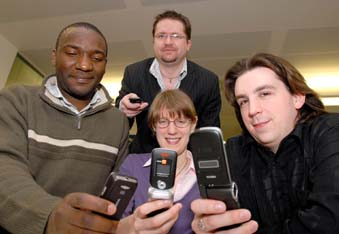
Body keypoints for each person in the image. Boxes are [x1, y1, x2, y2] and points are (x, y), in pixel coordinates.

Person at [191, 53, 339, 234]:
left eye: (265, 94)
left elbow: (333, 222)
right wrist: (206, 227)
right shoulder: (233, 153)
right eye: (243, 101)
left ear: (297, 97)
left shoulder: (333, 132)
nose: (252, 110)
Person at [0, 22, 130, 234]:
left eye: (96, 58)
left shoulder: (118, 122)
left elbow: (118, 186)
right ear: (54, 56)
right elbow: (4, 167)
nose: (85, 65)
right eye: (72, 53)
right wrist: (49, 214)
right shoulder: (17, 100)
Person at [116, 10, 221, 153]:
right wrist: (123, 111)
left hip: (187, 164)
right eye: (161, 36)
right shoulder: (134, 73)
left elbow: (208, 135)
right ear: (153, 42)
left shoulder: (208, 81)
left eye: (176, 36)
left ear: (188, 44)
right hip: (143, 160)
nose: (168, 42)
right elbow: (118, 128)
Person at [116, 89, 200, 234]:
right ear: (154, 126)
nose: (172, 130)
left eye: (180, 122)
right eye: (163, 122)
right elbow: (112, 225)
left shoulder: (208, 174)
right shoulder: (132, 166)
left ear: (193, 124)